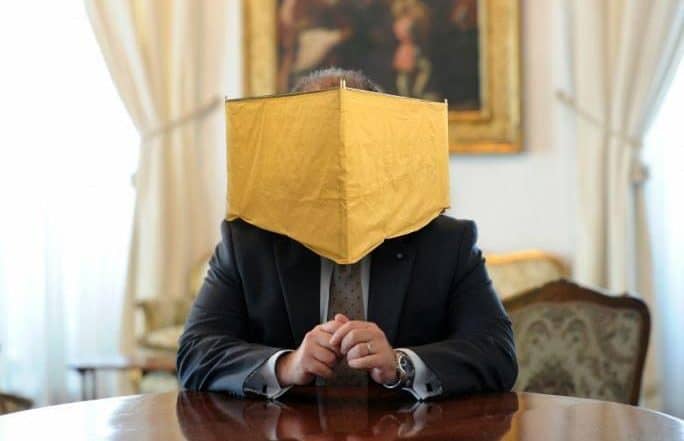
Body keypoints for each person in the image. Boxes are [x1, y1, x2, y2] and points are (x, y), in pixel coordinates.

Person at [176, 68, 517, 400]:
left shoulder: (446, 242)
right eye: (317, 146)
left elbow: (497, 354)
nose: (338, 166)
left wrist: (401, 364)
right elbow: (195, 353)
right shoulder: (248, 242)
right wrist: (286, 366)